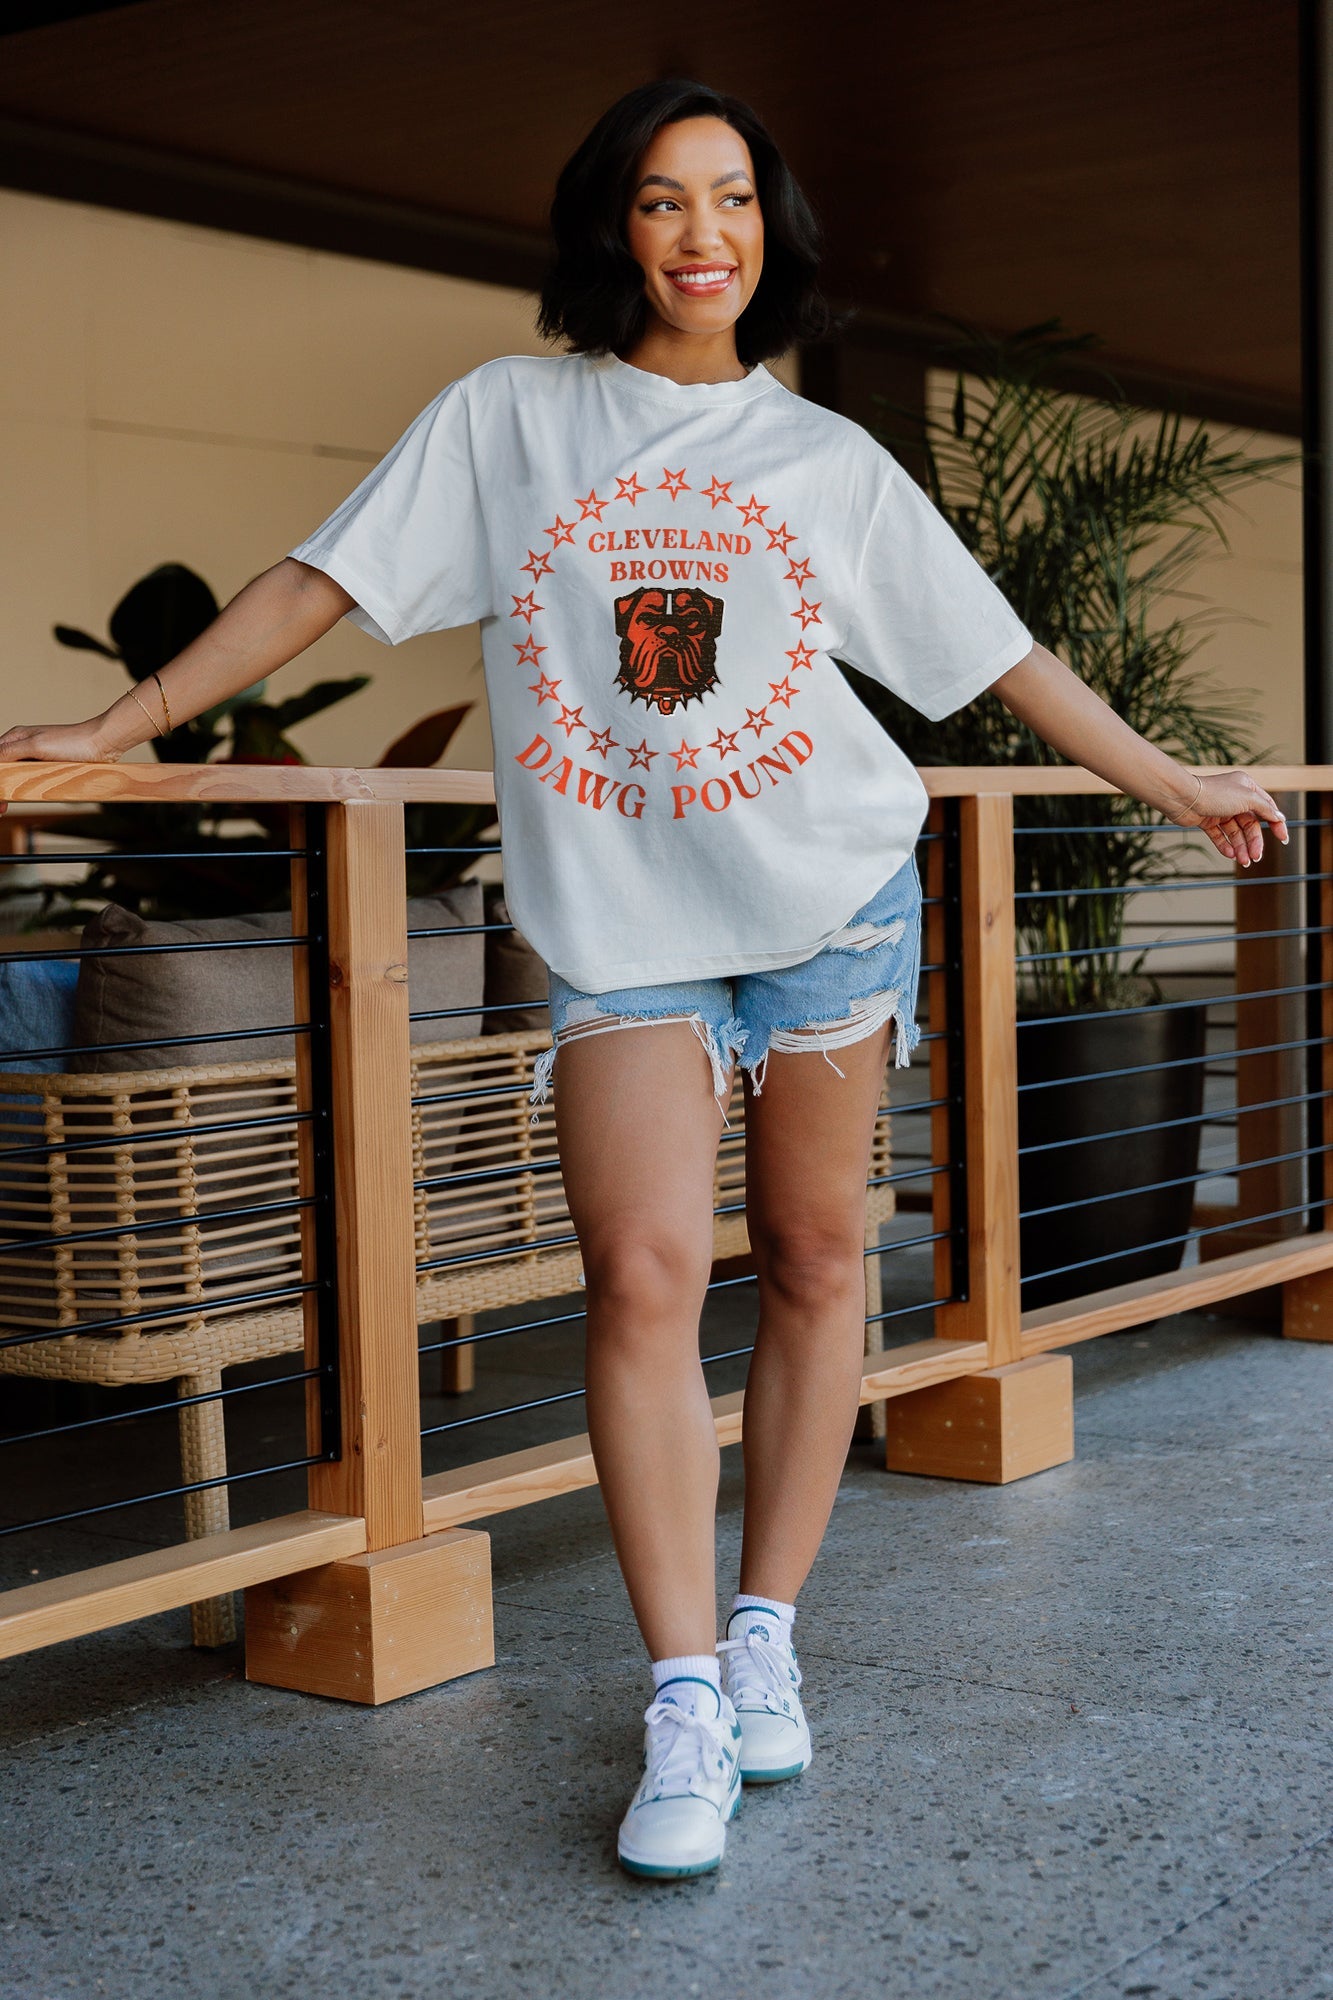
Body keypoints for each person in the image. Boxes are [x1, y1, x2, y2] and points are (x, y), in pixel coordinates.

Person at [0, 80, 1287, 1882]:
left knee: (820, 1263)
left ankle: (764, 1640)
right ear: (615, 222)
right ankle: (679, 1691)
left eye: (734, 199)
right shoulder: (509, 420)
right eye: (668, 199)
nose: (704, 235)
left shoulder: (822, 459)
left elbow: (996, 654)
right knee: (642, 1275)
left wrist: (1172, 783)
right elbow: (322, 583)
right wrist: (120, 727)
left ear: (771, 232)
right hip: (622, 930)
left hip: (831, 905)